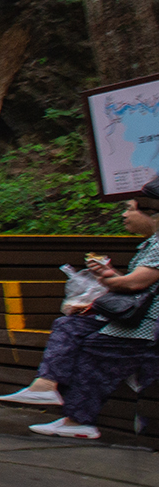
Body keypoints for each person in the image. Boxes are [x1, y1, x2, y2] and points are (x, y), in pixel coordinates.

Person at [19, 183, 159, 440]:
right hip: (135, 319)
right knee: (69, 325)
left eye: (130, 208)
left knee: (95, 347)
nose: (124, 214)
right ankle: (46, 386)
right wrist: (108, 278)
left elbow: (135, 283)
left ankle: (79, 420)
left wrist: (108, 278)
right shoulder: (151, 244)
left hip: (147, 326)